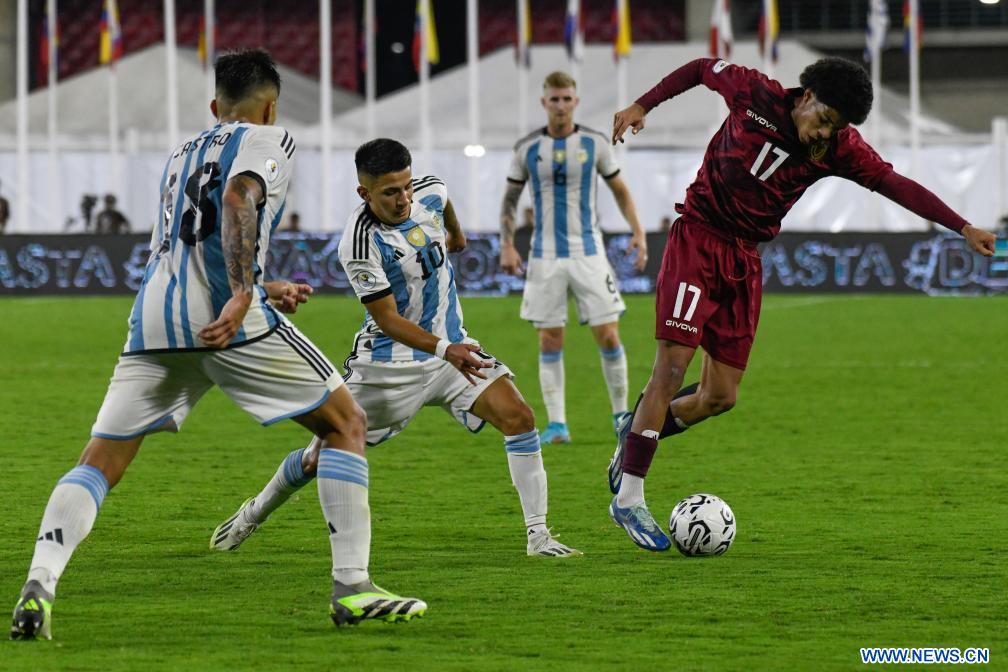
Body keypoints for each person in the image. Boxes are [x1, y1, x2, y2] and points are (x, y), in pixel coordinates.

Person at [9, 49, 425, 642]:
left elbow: (179, 240)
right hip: (225, 317)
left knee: (100, 459)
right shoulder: (269, 139)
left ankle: (40, 585)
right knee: (345, 422)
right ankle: (352, 589)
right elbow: (237, 200)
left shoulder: (181, 154)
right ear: (271, 105)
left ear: (214, 106)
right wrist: (241, 292)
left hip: (154, 318)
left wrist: (261, 282)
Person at [606, 56, 997, 551]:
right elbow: (701, 68)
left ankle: (637, 430)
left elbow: (895, 184)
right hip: (698, 240)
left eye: (837, 128)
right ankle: (630, 499)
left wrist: (961, 225)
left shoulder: (838, 147)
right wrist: (643, 104)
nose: (825, 133)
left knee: (720, 397)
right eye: (825, 119)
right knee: (669, 367)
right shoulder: (754, 92)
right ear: (806, 96)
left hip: (745, 260)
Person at [210, 138, 581, 562]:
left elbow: (442, 196)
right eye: (390, 191)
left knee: (520, 417)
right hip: (389, 368)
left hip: (451, 355)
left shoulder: (428, 192)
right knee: (318, 458)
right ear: (364, 193)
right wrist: (446, 349)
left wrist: (456, 236)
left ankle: (539, 538)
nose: (404, 198)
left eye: (406, 186)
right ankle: (252, 514)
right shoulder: (359, 240)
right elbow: (387, 319)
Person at [500, 71, 648, 446]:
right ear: (544, 103)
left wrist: (638, 231)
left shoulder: (594, 143)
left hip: (589, 252)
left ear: (575, 102)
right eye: (555, 99)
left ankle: (620, 415)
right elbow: (510, 201)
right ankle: (558, 424)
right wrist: (507, 242)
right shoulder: (527, 149)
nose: (561, 105)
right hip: (544, 257)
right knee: (549, 339)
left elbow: (620, 190)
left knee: (609, 334)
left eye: (567, 99)